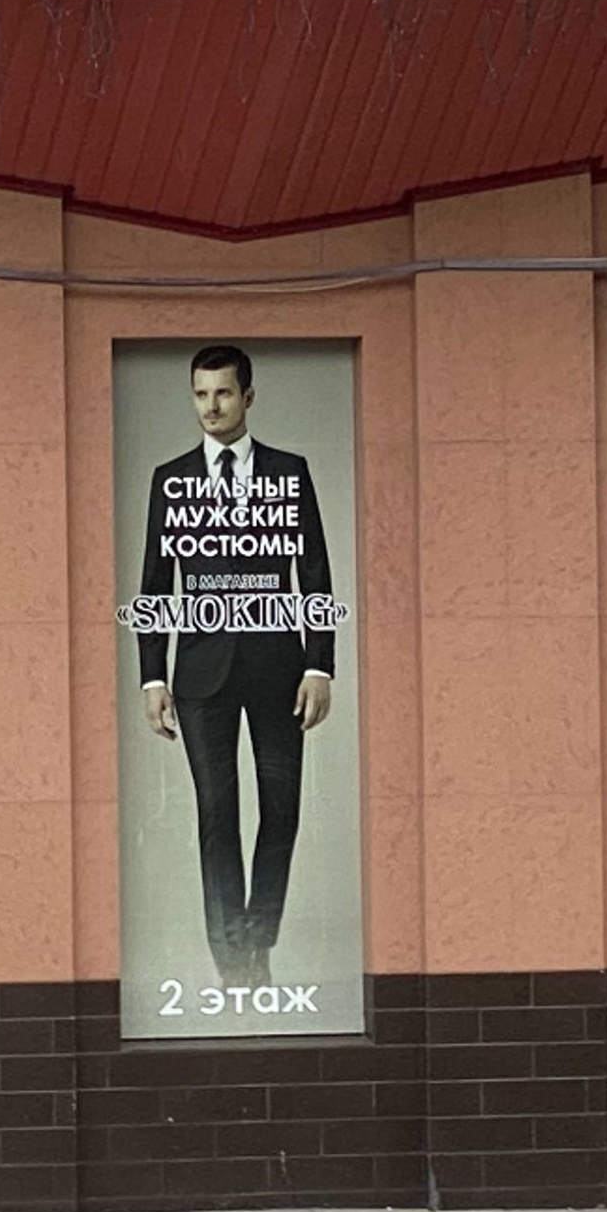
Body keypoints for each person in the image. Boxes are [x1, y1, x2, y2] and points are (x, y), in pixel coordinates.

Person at [136, 344, 339, 986]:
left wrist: (319, 666)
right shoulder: (172, 481)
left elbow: (314, 574)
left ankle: (261, 937)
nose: (211, 407)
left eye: (223, 393)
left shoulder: (290, 472)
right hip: (200, 675)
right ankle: (234, 962)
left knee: (281, 810)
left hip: (278, 667)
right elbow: (153, 585)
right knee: (216, 813)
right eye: (201, 394)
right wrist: (153, 676)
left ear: (248, 397)